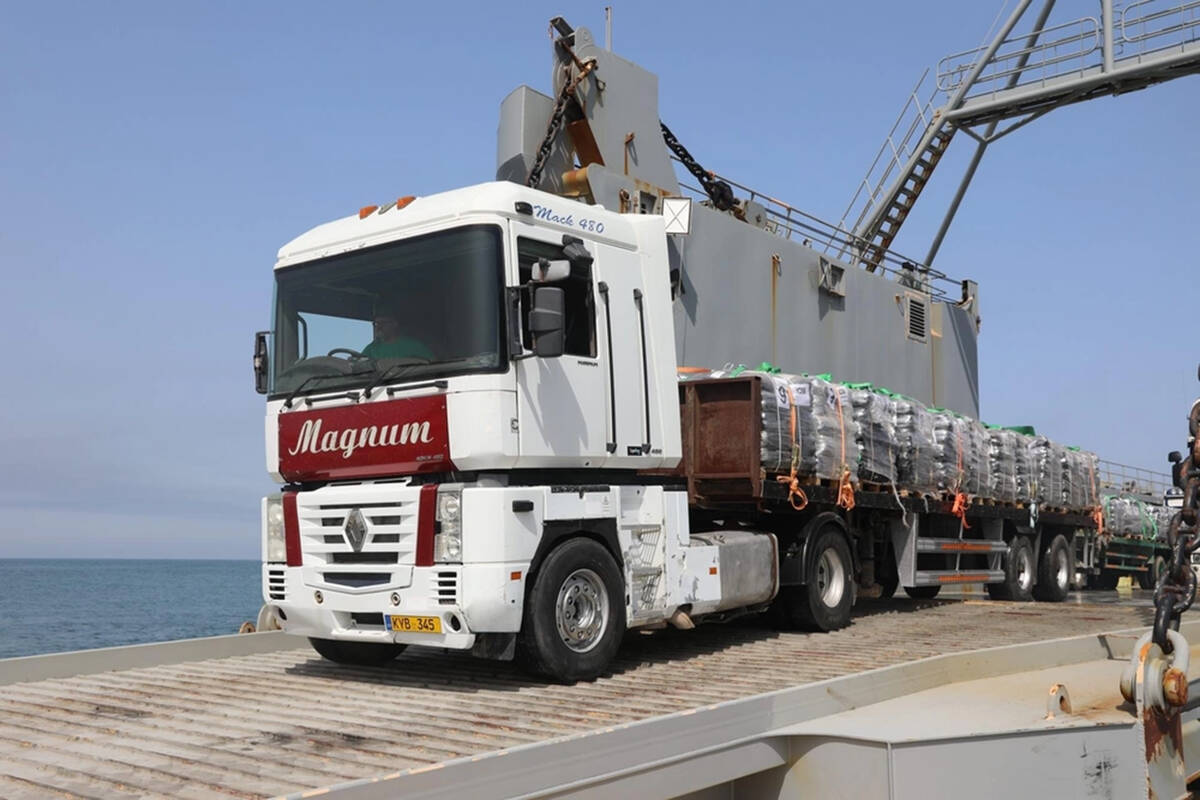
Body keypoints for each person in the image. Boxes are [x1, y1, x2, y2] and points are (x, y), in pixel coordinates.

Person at [362, 304, 434, 360]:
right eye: (376, 324)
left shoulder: (412, 346)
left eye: (383, 323)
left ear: (394, 324)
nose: (379, 327)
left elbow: (432, 364)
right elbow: (358, 364)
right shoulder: (371, 348)